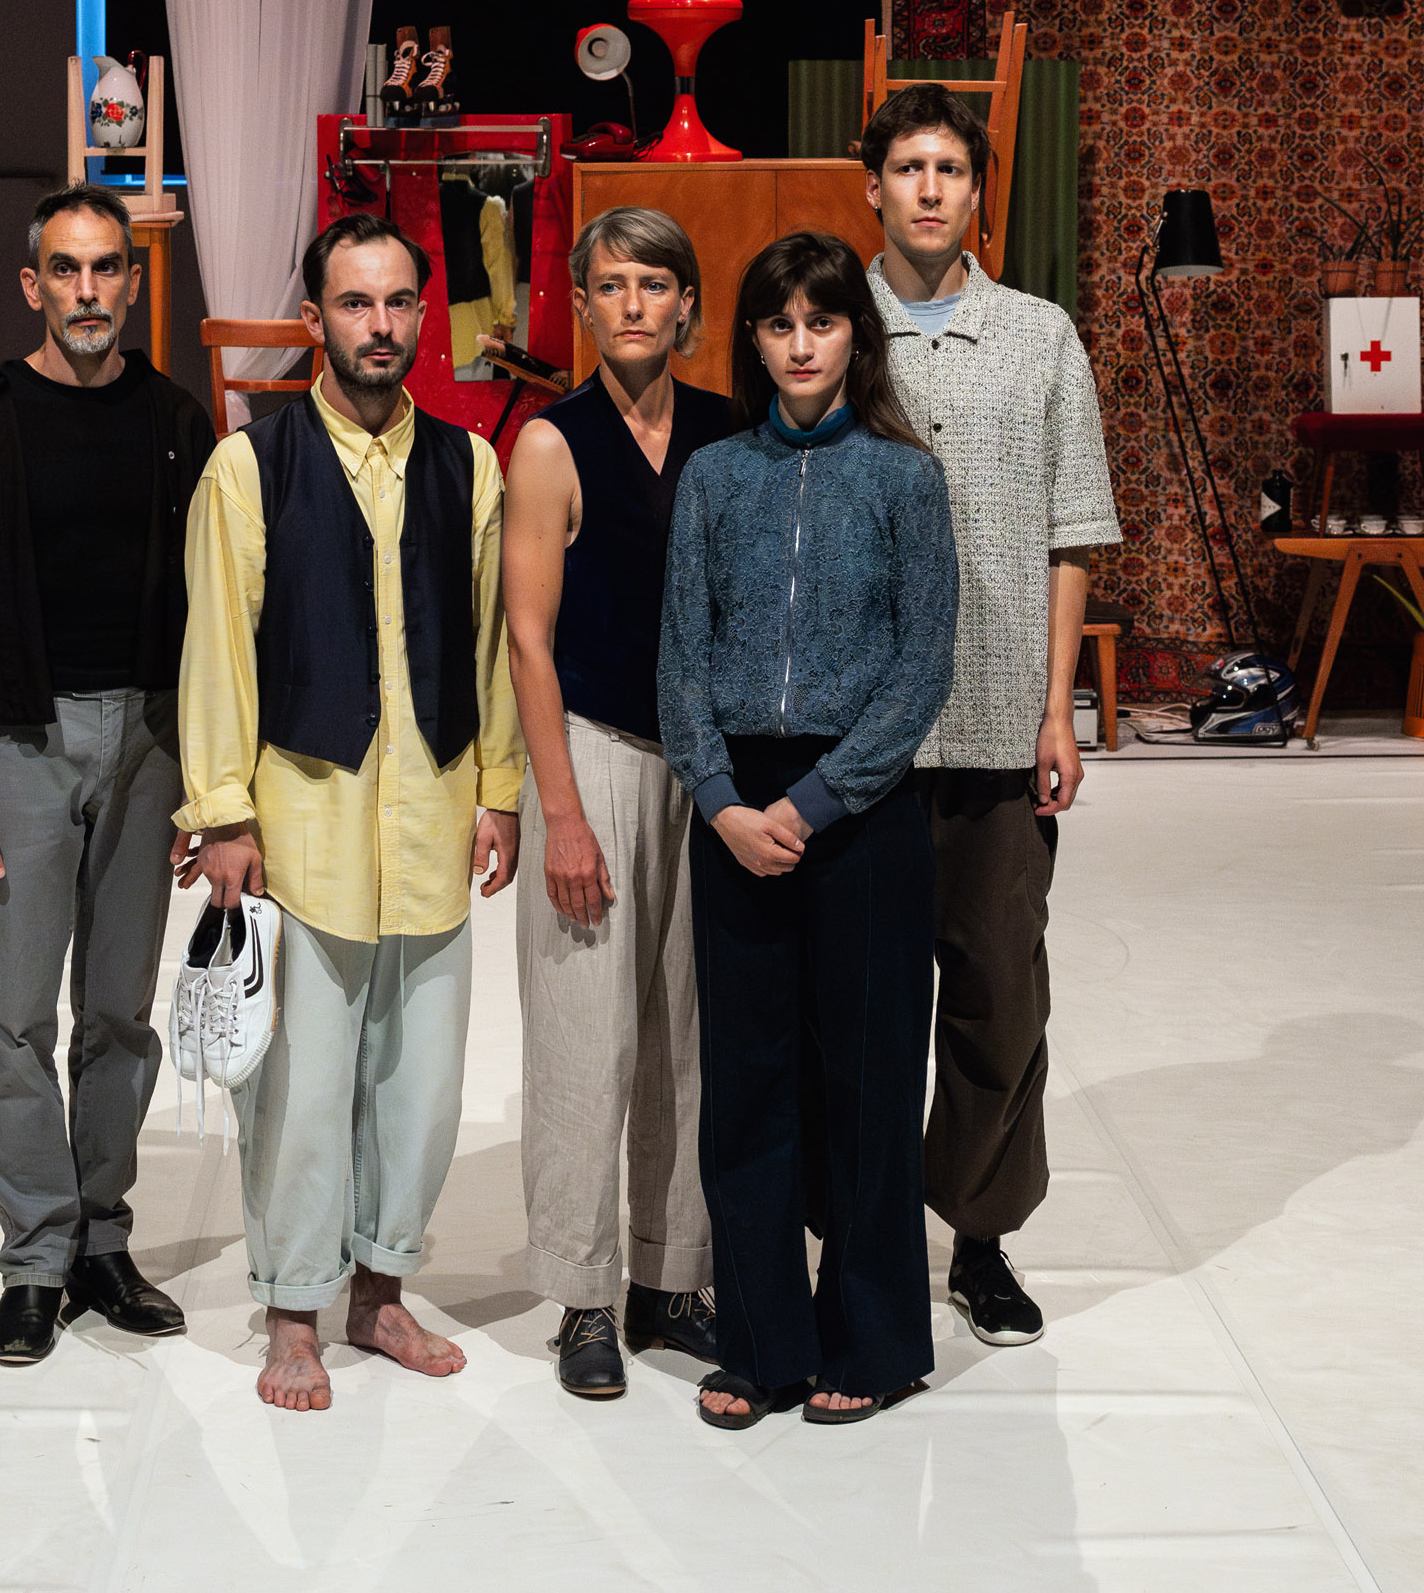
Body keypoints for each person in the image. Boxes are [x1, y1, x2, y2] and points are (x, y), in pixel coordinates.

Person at [174, 211, 523, 1413]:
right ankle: (291, 1310)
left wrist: (499, 790)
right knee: (300, 1092)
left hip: (431, 814)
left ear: (422, 315)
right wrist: (222, 814)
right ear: (312, 318)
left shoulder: (469, 465)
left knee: (419, 1089)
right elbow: (217, 652)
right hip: (303, 827)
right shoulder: (248, 466)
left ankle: (378, 1292)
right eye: (353, 303)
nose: (378, 326)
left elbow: (489, 646)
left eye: (396, 302)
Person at [0, 184, 215, 1369]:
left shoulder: (178, 423)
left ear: (132, 281)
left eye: (106, 269)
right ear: (32, 285)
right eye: (66, 270)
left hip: (150, 742)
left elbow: (216, 616)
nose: (88, 291)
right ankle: (35, 1258)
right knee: (18, 1014)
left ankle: (101, 1244)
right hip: (20, 743)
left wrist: (210, 782)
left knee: (119, 1014)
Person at [659, 229, 958, 1427]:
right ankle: (759, 1343)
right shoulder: (713, 477)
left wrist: (817, 800)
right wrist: (721, 800)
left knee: (869, 1081)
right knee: (747, 1083)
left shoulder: (903, 480)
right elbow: (680, 657)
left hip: (862, 813)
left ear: (854, 338)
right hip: (735, 808)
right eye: (778, 324)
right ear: (751, 339)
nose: (798, 345)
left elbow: (922, 663)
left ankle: (872, 1340)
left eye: (820, 323)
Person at [861, 82, 1120, 1347]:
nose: (928, 189)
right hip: (857, 732)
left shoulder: (1038, 335)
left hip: (999, 718)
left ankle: (978, 1234)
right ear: (871, 185)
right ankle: (853, 1232)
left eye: (949, 170)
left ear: (976, 191)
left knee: (996, 993)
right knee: (857, 1001)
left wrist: (1056, 710)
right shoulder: (827, 324)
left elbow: (1074, 530)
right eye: (907, 167)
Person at [501, 207, 737, 1399]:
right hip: (591, 749)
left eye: (654, 282)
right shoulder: (552, 442)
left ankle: (668, 1278)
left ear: (686, 302)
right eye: (610, 284)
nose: (633, 303)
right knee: (583, 1035)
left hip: (704, 761)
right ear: (583, 304)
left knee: (686, 1035)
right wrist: (562, 812)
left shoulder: (728, 431)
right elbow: (526, 638)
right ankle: (583, 1294)